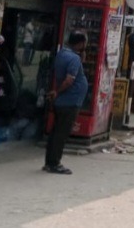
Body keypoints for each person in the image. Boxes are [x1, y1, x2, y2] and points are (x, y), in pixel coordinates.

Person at [44, 31, 89, 175]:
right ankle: (54, 163)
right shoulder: (73, 58)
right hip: (70, 101)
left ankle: (49, 161)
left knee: (56, 132)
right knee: (61, 134)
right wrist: (57, 91)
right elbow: (69, 80)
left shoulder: (63, 53)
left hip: (62, 102)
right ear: (81, 43)